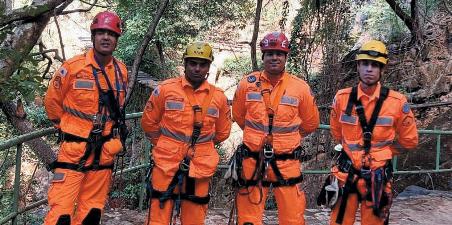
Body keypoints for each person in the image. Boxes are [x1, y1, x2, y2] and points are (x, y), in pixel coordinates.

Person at [319, 40, 418, 225]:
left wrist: (384, 152)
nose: (369, 69)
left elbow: (409, 140)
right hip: (346, 175)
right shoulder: (342, 98)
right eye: (365, 64)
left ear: (382, 69)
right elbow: (336, 132)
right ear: (358, 66)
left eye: (375, 65)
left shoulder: (397, 102)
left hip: (378, 177)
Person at [43, 11, 128, 225]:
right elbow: (52, 103)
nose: (105, 37)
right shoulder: (72, 68)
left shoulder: (121, 72)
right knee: (60, 215)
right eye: (100, 32)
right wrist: (67, 128)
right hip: (73, 152)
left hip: (104, 153)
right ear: (93, 36)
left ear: (117, 39)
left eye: (111, 33)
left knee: (91, 214)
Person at [230, 32, 320, 225]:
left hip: (287, 161)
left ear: (286, 57)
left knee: (293, 217)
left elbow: (311, 122)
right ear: (263, 56)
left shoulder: (300, 88)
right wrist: (257, 136)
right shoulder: (247, 84)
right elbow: (238, 116)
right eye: (269, 53)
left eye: (279, 53)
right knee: (248, 217)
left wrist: (288, 138)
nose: (274, 57)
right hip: (253, 159)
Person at [141, 42, 232, 224]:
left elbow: (223, 132)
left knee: (195, 217)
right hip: (166, 162)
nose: (197, 68)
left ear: (208, 66)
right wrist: (166, 144)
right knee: (158, 216)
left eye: (202, 64)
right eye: (193, 63)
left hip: (200, 165)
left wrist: (202, 146)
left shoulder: (219, 97)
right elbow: (149, 123)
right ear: (185, 64)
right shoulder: (165, 90)